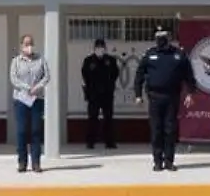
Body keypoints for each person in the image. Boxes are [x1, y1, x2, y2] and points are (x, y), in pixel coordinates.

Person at [134, 26, 195, 172]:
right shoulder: (149, 54)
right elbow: (139, 75)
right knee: (156, 130)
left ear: (169, 37)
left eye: (163, 36)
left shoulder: (178, 54)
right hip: (154, 97)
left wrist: (190, 93)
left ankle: (169, 161)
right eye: (158, 36)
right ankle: (157, 161)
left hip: (172, 98)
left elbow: (188, 75)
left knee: (170, 130)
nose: (160, 39)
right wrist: (138, 95)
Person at [10, 34, 51, 173]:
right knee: (22, 131)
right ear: (21, 45)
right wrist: (27, 88)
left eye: (31, 43)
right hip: (21, 100)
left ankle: (36, 163)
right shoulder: (16, 61)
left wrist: (37, 88)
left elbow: (47, 76)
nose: (29, 47)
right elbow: (13, 79)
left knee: (36, 131)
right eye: (26, 44)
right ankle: (22, 162)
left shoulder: (41, 59)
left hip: (36, 99)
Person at [80, 38, 119, 149]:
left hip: (107, 94)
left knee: (108, 118)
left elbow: (115, 74)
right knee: (93, 118)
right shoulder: (89, 60)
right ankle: (90, 142)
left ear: (105, 48)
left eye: (102, 47)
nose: (100, 49)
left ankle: (109, 142)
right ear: (94, 48)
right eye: (98, 47)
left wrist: (109, 85)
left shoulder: (110, 60)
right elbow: (85, 75)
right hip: (93, 94)